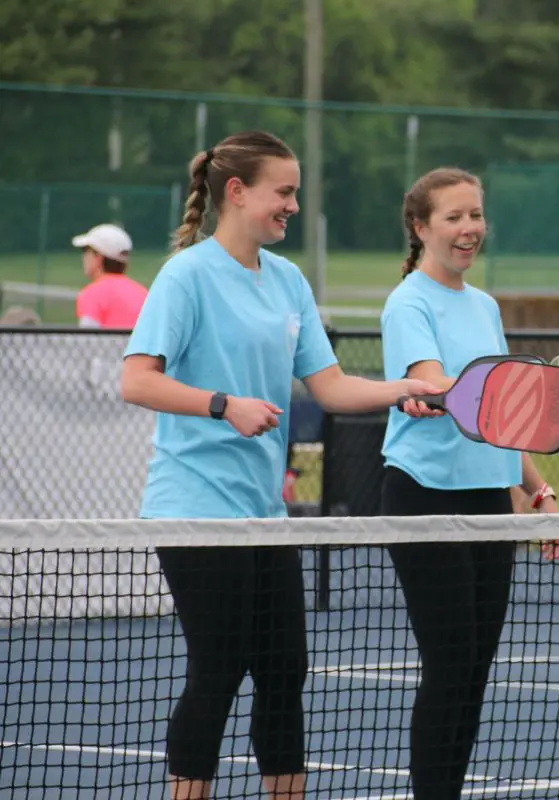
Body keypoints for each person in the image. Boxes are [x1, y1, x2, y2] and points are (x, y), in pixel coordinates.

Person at [120, 130, 440, 800]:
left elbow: (330, 387)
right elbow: (137, 381)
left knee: (285, 669)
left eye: (296, 192)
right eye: (284, 192)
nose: (293, 204)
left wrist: (406, 389)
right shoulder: (186, 275)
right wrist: (222, 405)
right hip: (195, 512)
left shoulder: (289, 280)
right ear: (236, 193)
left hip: (265, 516)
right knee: (218, 668)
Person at [379, 166, 559, 800]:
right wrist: (434, 396)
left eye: (476, 215)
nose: (469, 229)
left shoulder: (484, 306)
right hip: (424, 495)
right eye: (454, 217)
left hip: (490, 500)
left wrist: (537, 491)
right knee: (451, 663)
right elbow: (440, 385)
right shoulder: (408, 302)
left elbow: (505, 413)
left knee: (474, 670)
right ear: (421, 226)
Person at [71, 223, 149, 328]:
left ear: (98, 257)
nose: (83, 257)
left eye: (86, 251)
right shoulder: (144, 293)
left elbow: (87, 339)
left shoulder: (93, 294)